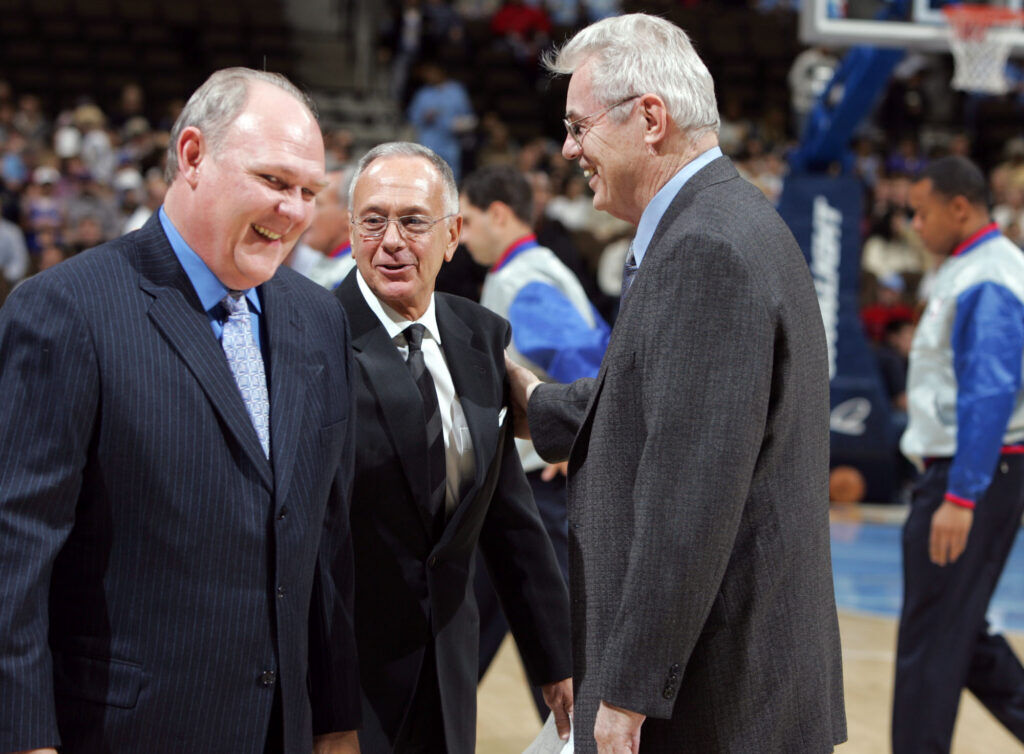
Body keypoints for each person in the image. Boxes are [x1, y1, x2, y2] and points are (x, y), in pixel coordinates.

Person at [504, 14, 846, 753]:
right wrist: (538, 405)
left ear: (649, 119)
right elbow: (663, 400)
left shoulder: (703, 250)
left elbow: (690, 495)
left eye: (577, 124)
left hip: (711, 700)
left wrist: (628, 692)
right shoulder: (728, 216)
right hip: (743, 680)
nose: (569, 148)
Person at [0, 68, 361, 754]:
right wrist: (23, 740)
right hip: (123, 732)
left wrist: (337, 723)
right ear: (193, 156)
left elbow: (325, 546)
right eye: (274, 182)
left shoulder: (319, 320)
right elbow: (14, 549)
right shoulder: (67, 309)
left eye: (309, 192)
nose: (294, 210)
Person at [335, 142, 572, 753]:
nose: (391, 240)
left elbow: (508, 518)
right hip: (345, 685)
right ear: (350, 230)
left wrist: (557, 659)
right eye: (372, 220)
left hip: (448, 677)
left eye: (413, 221)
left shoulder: (480, 334)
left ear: (453, 234)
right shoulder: (313, 335)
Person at [459, 164, 609, 713]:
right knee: (479, 634)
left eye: (468, 220)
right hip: (522, 487)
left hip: (538, 493)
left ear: (498, 214)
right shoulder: (532, 268)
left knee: (557, 655)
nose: (462, 232)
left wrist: (577, 438)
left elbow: (580, 358)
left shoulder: (522, 278)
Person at [893, 156, 1024, 752]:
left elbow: (990, 390)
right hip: (969, 469)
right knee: (959, 631)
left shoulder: (989, 276)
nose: (913, 224)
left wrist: (961, 494)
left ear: (960, 208)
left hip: (971, 473)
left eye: (921, 212)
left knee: (931, 639)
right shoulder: (963, 268)